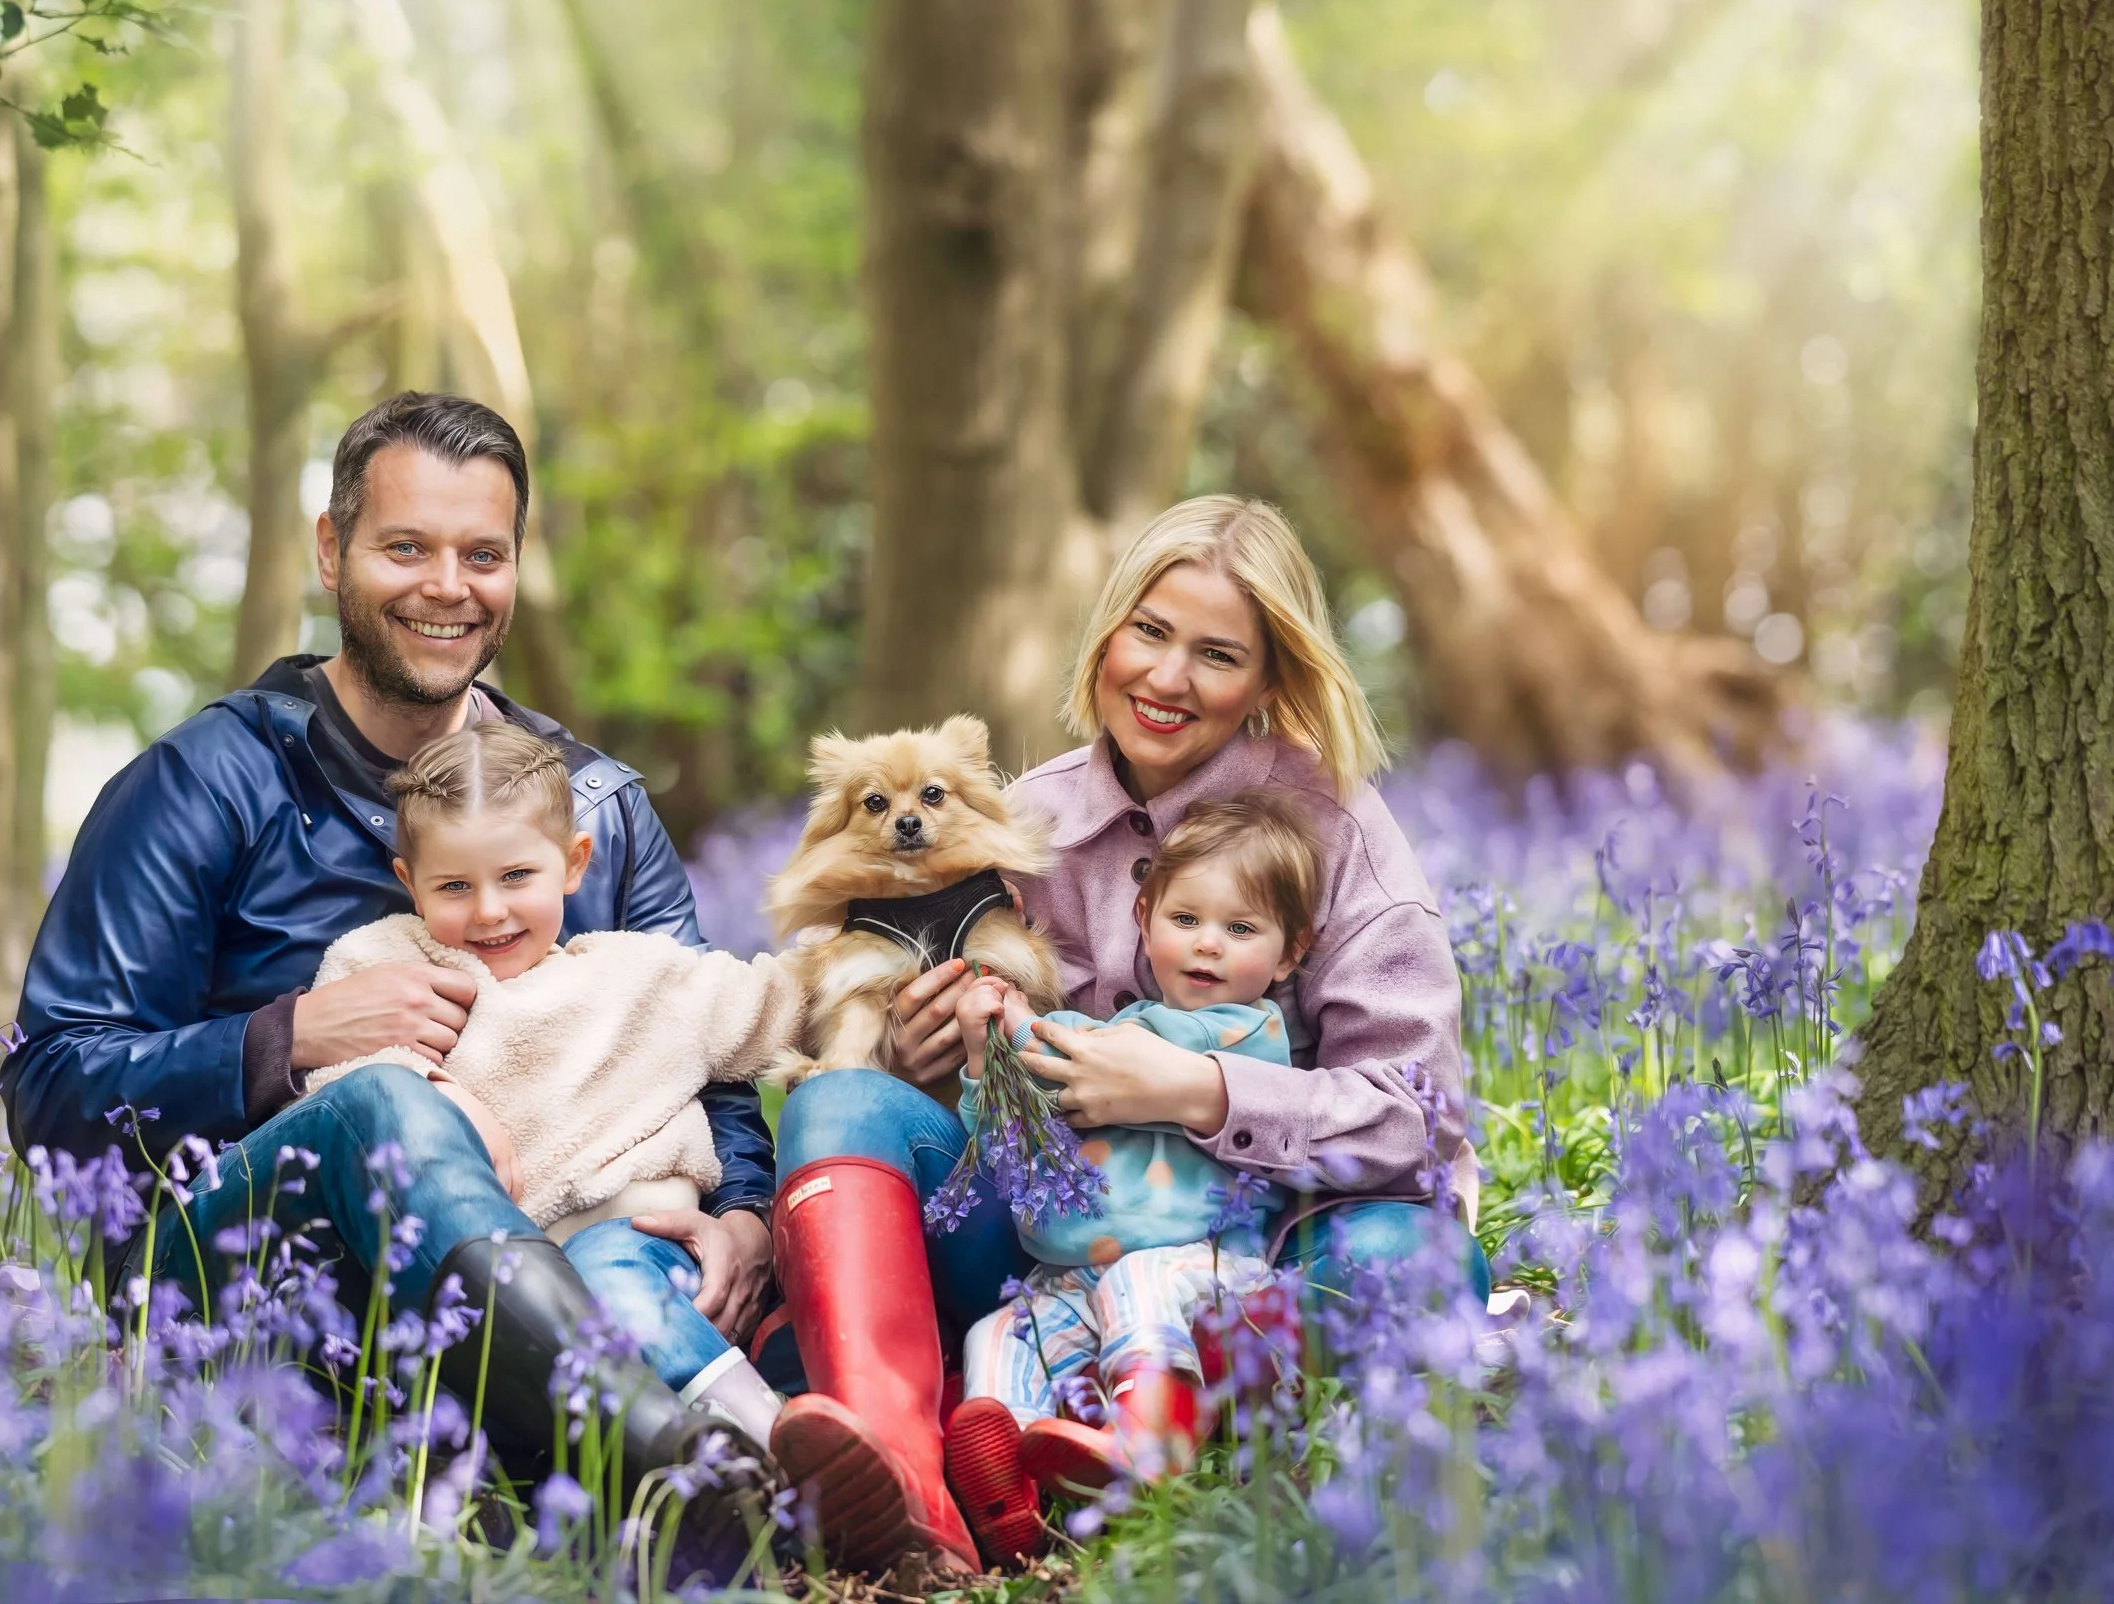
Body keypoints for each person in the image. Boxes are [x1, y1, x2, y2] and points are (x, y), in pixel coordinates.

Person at [0, 392, 778, 1521]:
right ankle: (669, 1461)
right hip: (249, 1286)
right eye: (405, 546)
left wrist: (745, 1215)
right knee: (382, 1108)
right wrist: (289, 1039)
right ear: (332, 549)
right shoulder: (204, 783)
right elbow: (51, 1081)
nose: (446, 586)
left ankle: (654, 1465)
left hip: (571, 1255)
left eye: (482, 554)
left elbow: (713, 1054)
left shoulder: (595, 805)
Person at [767, 495, 1485, 1572]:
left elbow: (1416, 1121)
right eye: (1147, 632)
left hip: (1266, 1243)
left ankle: (1153, 1434)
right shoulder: (1019, 820)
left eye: (1216, 653)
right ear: (1106, 633)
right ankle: (904, 1470)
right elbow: (961, 1052)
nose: (1165, 676)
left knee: (1399, 1260)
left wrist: (1198, 1089)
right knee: (835, 1101)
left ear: (1269, 679)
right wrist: (930, 1060)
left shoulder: (1336, 829)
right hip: (1054, 1245)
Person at [295, 723, 800, 1447]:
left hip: (647, 1243)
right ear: (409, 881)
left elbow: (775, 1005)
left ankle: (775, 1445)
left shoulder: (637, 974)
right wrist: (436, 1087)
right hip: (500, 1291)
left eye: (517, 877)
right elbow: (341, 1089)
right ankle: (730, 1453)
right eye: (455, 886)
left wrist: (891, 968)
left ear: (573, 862)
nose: (489, 910)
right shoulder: (386, 964)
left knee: (612, 1279)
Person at [940, 789, 1318, 1564]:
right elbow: (1015, 1134)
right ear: (1143, 919)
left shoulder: (1249, 1031)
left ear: (1289, 952)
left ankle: (1148, 1451)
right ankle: (1006, 1486)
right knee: (1004, 1331)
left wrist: (1038, 1031)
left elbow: (1132, 1046)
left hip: (1203, 1269)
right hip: (1069, 1275)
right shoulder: (1110, 1035)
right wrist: (989, 1053)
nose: (1208, 944)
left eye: (1240, 928)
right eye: (1186, 920)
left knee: (1137, 1286)